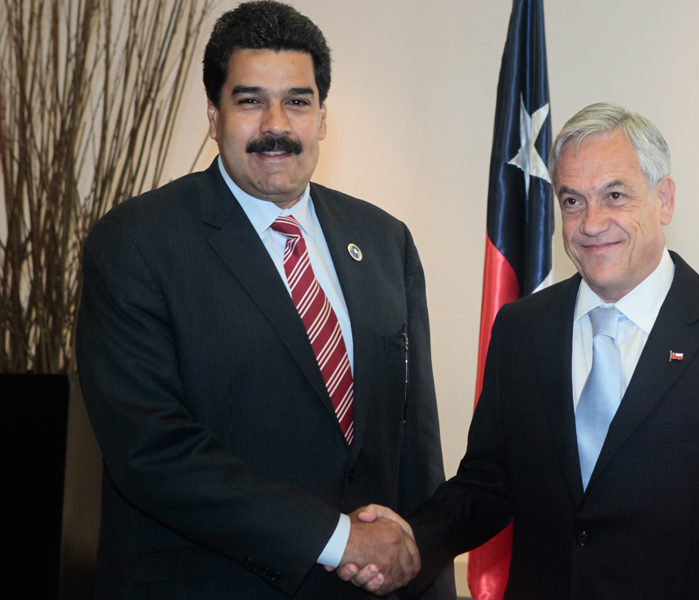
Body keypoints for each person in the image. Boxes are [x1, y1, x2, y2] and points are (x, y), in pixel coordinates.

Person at [352, 103, 699, 598]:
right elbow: (489, 481)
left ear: (664, 199)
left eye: (614, 196)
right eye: (573, 201)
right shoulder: (521, 328)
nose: (591, 224)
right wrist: (412, 538)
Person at [75, 2, 453, 598]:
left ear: (323, 116)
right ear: (213, 115)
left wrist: (426, 573)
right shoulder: (135, 243)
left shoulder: (385, 241)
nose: (277, 123)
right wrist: (336, 537)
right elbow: (153, 452)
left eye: (298, 101)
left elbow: (415, 446)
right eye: (250, 100)